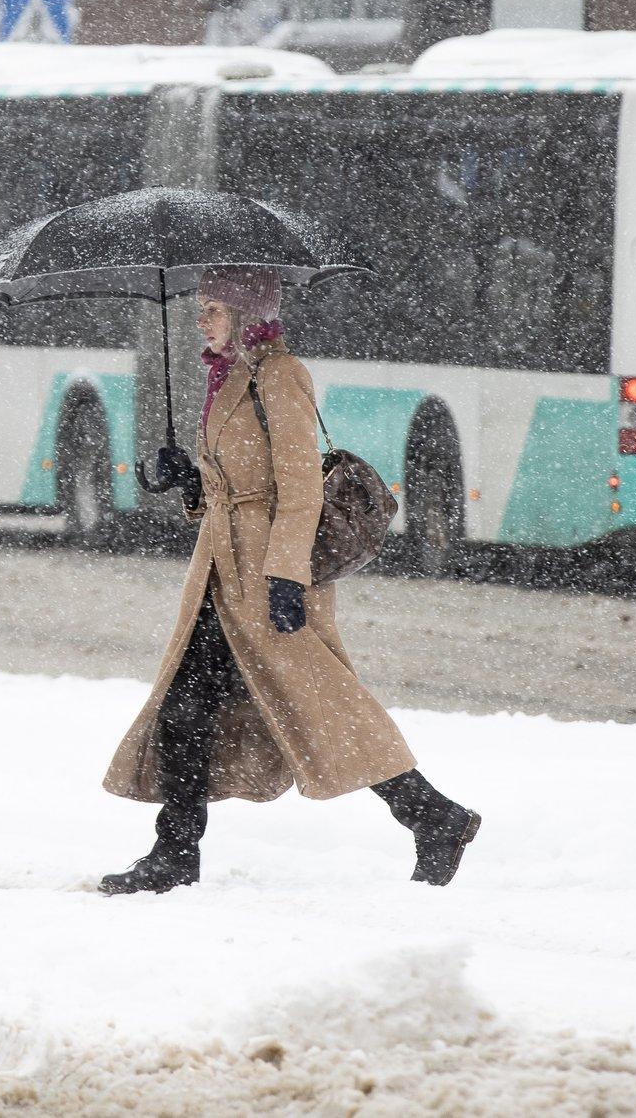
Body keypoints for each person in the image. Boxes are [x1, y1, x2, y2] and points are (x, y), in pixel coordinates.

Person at [99, 267, 480, 895]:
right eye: (201, 307)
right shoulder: (226, 379)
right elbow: (233, 484)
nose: (203, 319)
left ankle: (434, 816)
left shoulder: (280, 376)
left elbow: (300, 487)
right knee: (186, 708)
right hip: (222, 571)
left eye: (215, 308)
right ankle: (176, 851)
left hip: (268, 573)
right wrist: (188, 481)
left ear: (249, 312)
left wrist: (285, 577)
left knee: (324, 706)